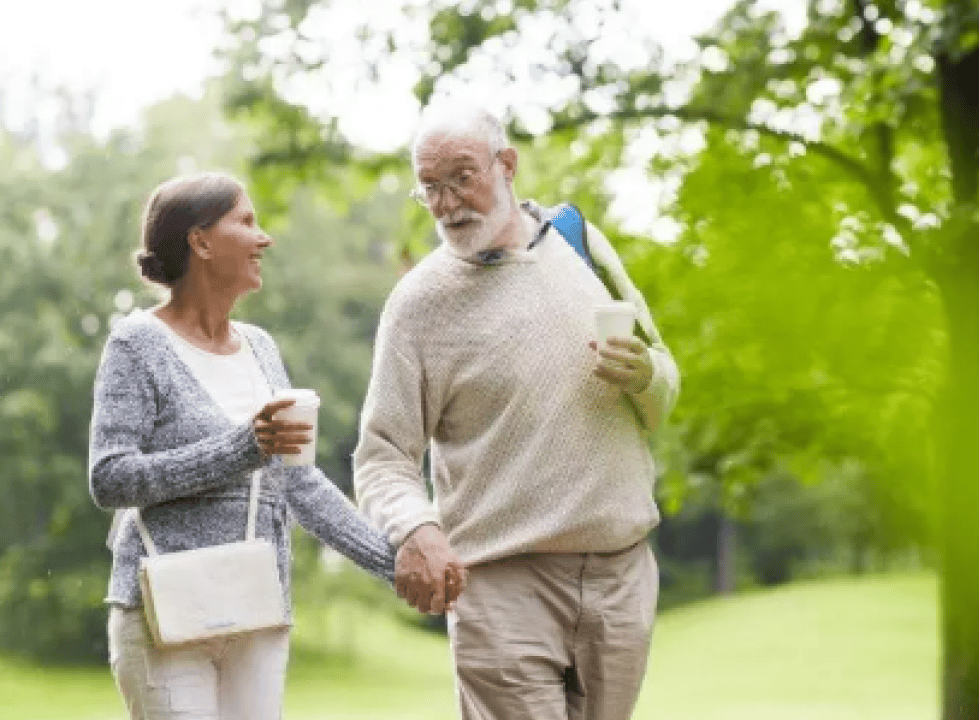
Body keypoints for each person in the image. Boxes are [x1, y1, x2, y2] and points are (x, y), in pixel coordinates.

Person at [352, 100, 681, 720]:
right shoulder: (418, 304)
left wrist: (646, 376)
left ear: (506, 164)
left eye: (461, 178)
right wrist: (416, 528)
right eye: (430, 187)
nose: (448, 204)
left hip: (621, 576)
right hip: (500, 586)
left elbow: (663, 380)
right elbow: (382, 456)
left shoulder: (581, 243)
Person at [88, 172, 397, 720]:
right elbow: (110, 478)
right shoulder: (137, 343)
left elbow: (299, 484)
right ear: (201, 242)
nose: (264, 238)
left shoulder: (260, 347)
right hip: (163, 612)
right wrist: (241, 448)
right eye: (247, 222)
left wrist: (395, 564)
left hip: (256, 609)